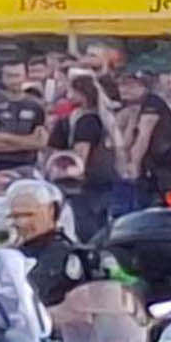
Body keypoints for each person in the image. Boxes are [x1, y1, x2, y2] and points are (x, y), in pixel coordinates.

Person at [49, 73, 115, 239]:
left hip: (86, 184)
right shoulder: (98, 118)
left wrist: (72, 173)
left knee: (87, 225)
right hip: (102, 179)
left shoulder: (87, 121)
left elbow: (80, 155)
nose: (68, 95)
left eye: (71, 91)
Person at [6, 180, 81, 307]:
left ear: (51, 211)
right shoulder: (9, 255)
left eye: (28, 215)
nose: (20, 223)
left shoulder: (70, 256)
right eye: (15, 216)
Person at [122, 72, 171, 201]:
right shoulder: (136, 107)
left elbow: (143, 137)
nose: (124, 90)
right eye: (122, 85)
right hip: (157, 170)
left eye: (131, 86)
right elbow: (127, 141)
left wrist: (134, 165)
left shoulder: (152, 103)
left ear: (144, 87)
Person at [0, 60, 49, 174]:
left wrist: (5, 137)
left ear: (25, 77)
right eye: (9, 76)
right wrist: (28, 142)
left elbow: (41, 143)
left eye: (17, 76)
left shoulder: (37, 106)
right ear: (3, 77)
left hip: (28, 166)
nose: (13, 81)